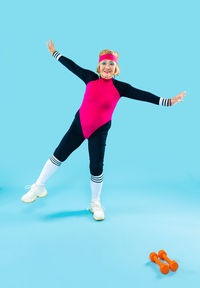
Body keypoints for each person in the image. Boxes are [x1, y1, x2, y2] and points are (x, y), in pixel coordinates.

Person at [21, 40, 186, 221]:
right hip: (79, 125)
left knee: (96, 167)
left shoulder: (121, 88)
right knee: (58, 154)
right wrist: (55, 53)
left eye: (111, 64)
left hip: (99, 131)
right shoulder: (90, 77)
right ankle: (39, 186)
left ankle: (95, 203)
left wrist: (168, 101)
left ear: (116, 68)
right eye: (104, 63)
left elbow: (143, 95)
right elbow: (72, 66)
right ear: (100, 66)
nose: (107, 67)